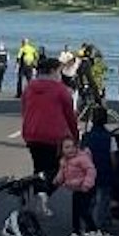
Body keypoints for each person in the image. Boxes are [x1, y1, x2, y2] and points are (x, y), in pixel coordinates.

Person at [20, 56, 77, 218]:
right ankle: (43, 196)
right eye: (59, 71)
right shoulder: (60, 90)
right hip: (54, 135)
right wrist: (74, 136)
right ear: (53, 71)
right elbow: (70, 116)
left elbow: (24, 109)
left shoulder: (30, 87)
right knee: (59, 170)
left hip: (32, 133)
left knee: (39, 168)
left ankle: (38, 195)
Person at [78, 106, 114, 236]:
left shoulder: (86, 137)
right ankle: (99, 226)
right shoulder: (110, 137)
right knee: (102, 200)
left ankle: (87, 225)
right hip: (104, 171)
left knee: (90, 200)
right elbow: (113, 158)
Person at [58, 135, 99, 236]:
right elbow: (63, 172)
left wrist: (87, 184)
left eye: (72, 147)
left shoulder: (82, 158)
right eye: (66, 147)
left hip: (86, 188)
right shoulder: (64, 161)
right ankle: (76, 232)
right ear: (62, 150)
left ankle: (94, 230)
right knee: (75, 211)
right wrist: (58, 180)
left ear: (77, 147)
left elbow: (91, 170)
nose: (70, 150)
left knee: (84, 210)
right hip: (77, 189)